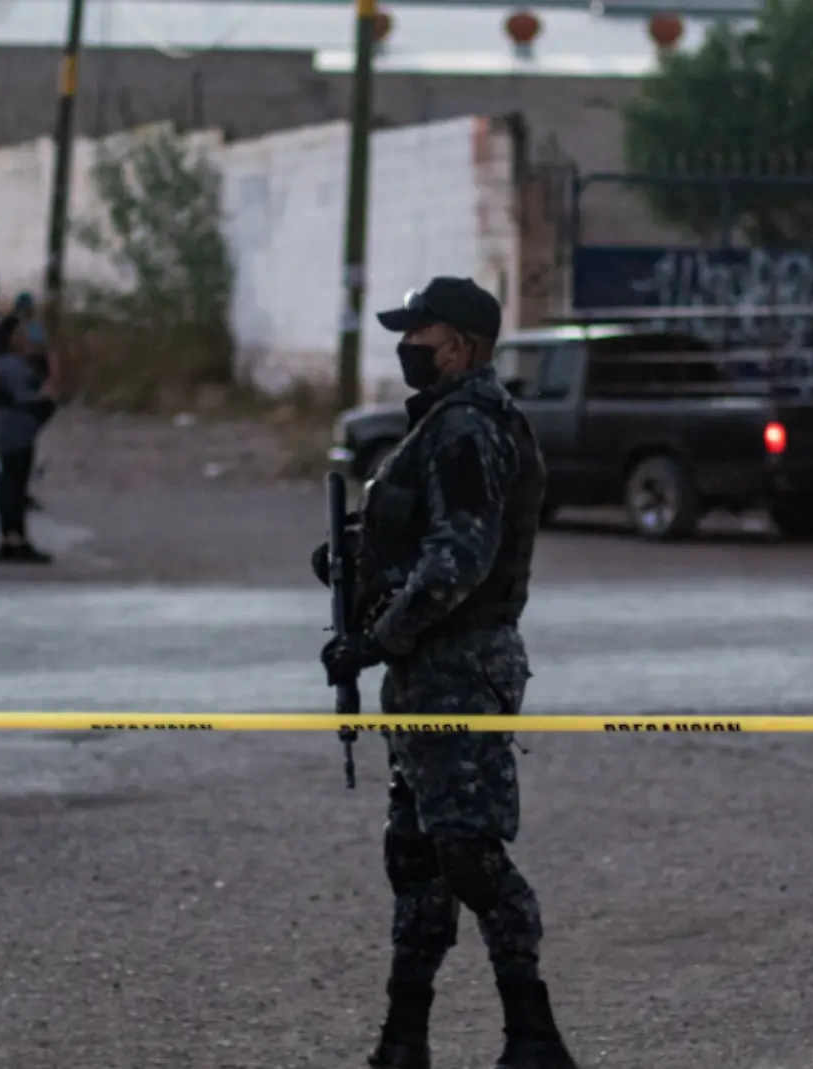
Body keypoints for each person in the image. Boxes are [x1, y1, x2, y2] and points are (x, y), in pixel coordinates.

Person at [313, 277, 577, 1069]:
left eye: (419, 333)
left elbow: (458, 561)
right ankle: (404, 1039)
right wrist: (354, 564)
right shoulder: (442, 428)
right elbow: (424, 544)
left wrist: (378, 638)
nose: (408, 346)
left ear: (459, 344)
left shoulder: (466, 428)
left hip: (458, 669)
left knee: (469, 852)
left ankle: (535, 1036)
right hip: (428, 670)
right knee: (418, 857)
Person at [0, 321, 58, 563]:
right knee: (14, 486)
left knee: (11, 483)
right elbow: (23, 396)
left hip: (13, 429)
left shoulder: (3, 364)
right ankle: (15, 538)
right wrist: (43, 395)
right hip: (17, 430)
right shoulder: (13, 366)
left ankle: (9, 537)